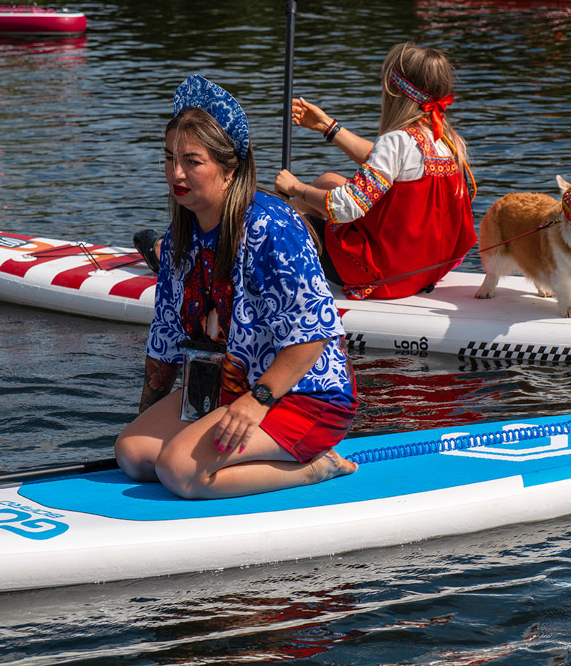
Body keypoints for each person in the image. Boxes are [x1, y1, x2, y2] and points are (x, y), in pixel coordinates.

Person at [115, 75, 359, 499]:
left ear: (230, 170)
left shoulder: (273, 227)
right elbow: (166, 339)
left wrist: (256, 401)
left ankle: (316, 467)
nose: (177, 173)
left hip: (303, 395)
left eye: (193, 161)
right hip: (229, 387)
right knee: (134, 453)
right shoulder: (178, 239)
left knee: (178, 471)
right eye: (170, 158)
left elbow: (316, 332)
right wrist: (150, 416)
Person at [273, 42, 477, 301]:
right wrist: (328, 126)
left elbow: (346, 206)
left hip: (383, 275)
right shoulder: (448, 140)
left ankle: (283, 291)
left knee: (284, 216)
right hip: (424, 269)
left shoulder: (396, 140)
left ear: (393, 92)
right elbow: (385, 163)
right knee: (328, 180)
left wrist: (294, 187)